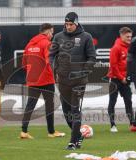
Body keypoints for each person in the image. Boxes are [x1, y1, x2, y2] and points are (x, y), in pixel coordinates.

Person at [49, 12, 96, 150]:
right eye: (66, 24)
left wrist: (83, 71)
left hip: (79, 82)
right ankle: (79, 135)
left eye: (71, 24)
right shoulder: (58, 37)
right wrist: (54, 69)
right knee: (66, 111)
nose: (68, 27)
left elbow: (92, 57)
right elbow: (51, 56)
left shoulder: (86, 37)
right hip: (63, 81)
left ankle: (72, 142)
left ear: (76, 23)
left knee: (75, 111)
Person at [20, 23, 65, 139]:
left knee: (30, 105)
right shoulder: (47, 44)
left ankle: (24, 131)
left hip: (32, 79)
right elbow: (49, 62)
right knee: (49, 105)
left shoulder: (29, 44)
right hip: (46, 79)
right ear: (48, 31)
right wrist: (55, 74)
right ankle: (51, 132)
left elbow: (24, 64)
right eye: (52, 32)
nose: (52, 35)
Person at [107, 27, 135, 133]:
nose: (129, 39)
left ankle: (132, 123)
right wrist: (121, 77)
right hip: (115, 79)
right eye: (127, 37)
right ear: (122, 36)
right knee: (112, 102)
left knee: (128, 101)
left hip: (125, 80)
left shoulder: (130, 47)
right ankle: (112, 125)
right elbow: (113, 66)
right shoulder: (116, 48)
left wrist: (127, 77)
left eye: (130, 37)